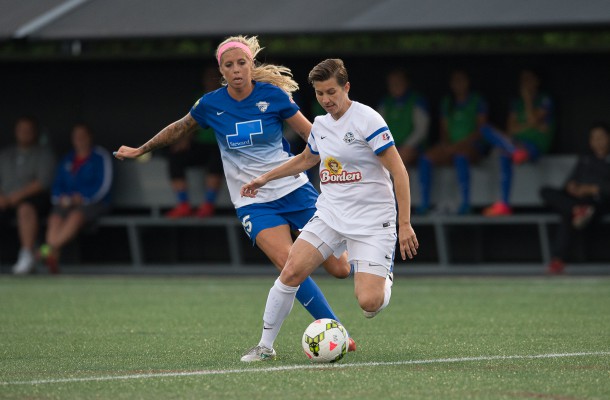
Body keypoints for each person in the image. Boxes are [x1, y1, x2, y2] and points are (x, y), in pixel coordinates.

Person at [113, 36, 355, 350]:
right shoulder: (210, 104)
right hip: (252, 201)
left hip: (294, 190)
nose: (237, 69)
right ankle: (338, 334)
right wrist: (140, 149)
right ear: (221, 71)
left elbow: (313, 135)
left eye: (242, 63)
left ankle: (367, 252)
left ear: (251, 65)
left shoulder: (274, 96)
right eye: (229, 65)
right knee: (288, 265)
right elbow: (178, 128)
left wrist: (346, 161)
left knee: (340, 269)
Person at [239, 59, 419, 362]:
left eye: (332, 92)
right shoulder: (321, 125)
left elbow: (399, 171)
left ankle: (383, 273)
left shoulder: (368, 120)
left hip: (374, 220)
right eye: (320, 94)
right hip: (331, 215)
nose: (327, 100)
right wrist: (265, 178)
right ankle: (264, 346)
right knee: (291, 271)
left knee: (369, 303)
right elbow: (307, 158)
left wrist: (405, 224)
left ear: (346, 87)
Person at [38, 123, 113, 273]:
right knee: (55, 218)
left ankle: (48, 250)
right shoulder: (68, 158)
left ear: (90, 137)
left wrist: (83, 198)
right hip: (67, 203)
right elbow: (57, 184)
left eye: (83, 136)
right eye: (76, 136)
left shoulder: (100, 156)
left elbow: (104, 186)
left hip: (95, 203)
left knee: (76, 216)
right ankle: (52, 256)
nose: (79, 139)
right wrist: (61, 198)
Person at [481, 69, 554, 216]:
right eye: (523, 80)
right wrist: (532, 126)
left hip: (535, 146)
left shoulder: (544, 99)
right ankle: (504, 204)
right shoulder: (516, 103)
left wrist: (528, 101)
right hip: (517, 145)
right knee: (489, 134)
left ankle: (514, 151)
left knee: (508, 151)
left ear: (537, 81)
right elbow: (512, 130)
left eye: (529, 79)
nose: (525, 84)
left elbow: (533, 119)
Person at [540, 123, 610, 274]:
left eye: (601, 137)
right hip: (576, 201)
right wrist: (572, 186)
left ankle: (557, 260)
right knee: (545, 191)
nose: (597, 141)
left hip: (598, 202)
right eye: (594, 138)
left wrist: (592, 189)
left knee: (568, 214)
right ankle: (577, 210)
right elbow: (570, 181)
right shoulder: (585, 159)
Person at [417, 70, 488, 215]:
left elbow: (482, 130)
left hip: (471, 146)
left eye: (461, 80)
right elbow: (444, 130)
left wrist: (459, 146)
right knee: (426, 157)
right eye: (455, 81)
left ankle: (465, 204)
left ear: (467, 82)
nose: (458, 85)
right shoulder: (447, 103)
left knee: (461, 156)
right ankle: (424, 204)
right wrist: (447, 145)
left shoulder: (477, 101)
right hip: (451, 146)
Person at [165, 66, 225, 218]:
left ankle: (208, 204)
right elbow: (191, 123)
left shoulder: (228, 97)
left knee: (217, 157)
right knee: (176, 156)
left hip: (222, 145)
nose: (210, 81)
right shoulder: (201, 98)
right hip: (201, 144)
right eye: (207, 78)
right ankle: (183, 204)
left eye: (214, 77)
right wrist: (184, 140)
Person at [0, 116, 55, 275]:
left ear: (35, 132)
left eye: (28, 130)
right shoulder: (5, 154)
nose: (24, 133)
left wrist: (16, 196)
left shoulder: (44, 153)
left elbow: (42, 182)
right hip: (5, 200)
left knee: (25, 208)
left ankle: (27, 255)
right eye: (21, 130)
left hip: (34, 200)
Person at [377, 68, 429, 166]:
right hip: (390, 146)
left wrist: (406, 146)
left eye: (398, 82)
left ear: (406, 82)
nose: (395, 85)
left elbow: (421, 130)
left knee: (399, 157)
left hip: (413, 147)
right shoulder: (385, 103)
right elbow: (378, 128)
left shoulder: (416, 101)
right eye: (392, 83)